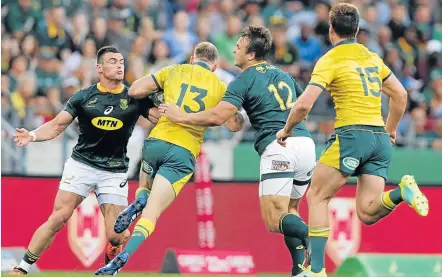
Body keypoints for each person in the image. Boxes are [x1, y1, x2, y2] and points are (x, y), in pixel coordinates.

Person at [275, 3, 429, 276]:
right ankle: (401, 193)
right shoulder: (372, 57)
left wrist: (286, 130)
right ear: (357, 30)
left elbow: (303, 105)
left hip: (351, 135)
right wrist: (390, 129)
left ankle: (318, 270)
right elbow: (401, 95)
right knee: (367, 212)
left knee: (318, 195)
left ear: (331, 31)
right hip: (379, 141)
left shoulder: (330, 59)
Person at [159, 26, 316, 276]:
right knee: (290, 212)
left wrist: (183, 116)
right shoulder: (284, 75)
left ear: (251, 54)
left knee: (273, 220)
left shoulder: (243, 79)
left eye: (239, 46)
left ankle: (314, 241)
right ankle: (301, 272)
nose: (233, 49)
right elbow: (303, 106)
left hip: (279, 147)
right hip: (306, 145)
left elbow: (219, 116)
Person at [10, 46, 159, 275]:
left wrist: (176, 108)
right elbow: (56, 125)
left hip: (114, 169)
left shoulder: (135, 97)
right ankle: (22, 267)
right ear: (99, 68)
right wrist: (31, 135)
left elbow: (161, 118)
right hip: (81, 164)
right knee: (59, 217)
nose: (120, 65)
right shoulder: (83, 97)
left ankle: (111, 258)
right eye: (113, 61)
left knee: (116, 234)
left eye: (121, 61)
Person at [95, 42, 241, 275]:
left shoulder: (174, 70)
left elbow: (134, 90)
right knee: (152, 214)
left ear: (193, 59)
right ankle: (122, 258)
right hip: (183, 153)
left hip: (156, 143)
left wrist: (159, 96)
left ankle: (139, 200)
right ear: (214, 67)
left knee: (144, 186)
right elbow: (234, 124)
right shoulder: (220, 86)